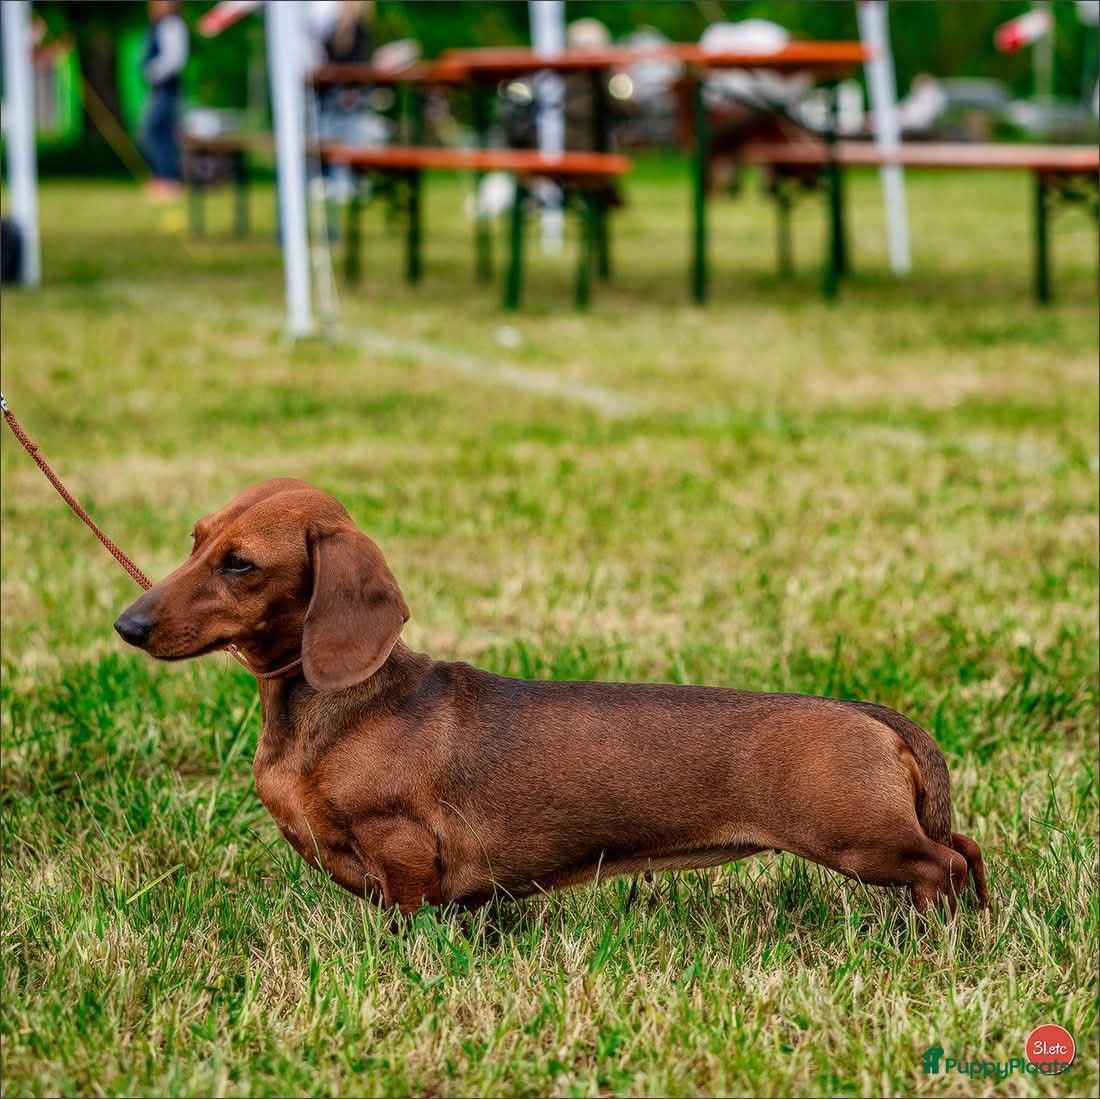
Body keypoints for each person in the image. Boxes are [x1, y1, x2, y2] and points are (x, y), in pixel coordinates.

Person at [140, 0, 189, 200]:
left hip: (166, 86)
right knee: (156, 131)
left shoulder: (173, 25)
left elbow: (175, 58)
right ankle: (162, 177)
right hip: (159, 87)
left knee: (156, 130)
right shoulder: (159, 25)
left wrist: (153, 71)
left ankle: (169, 178)